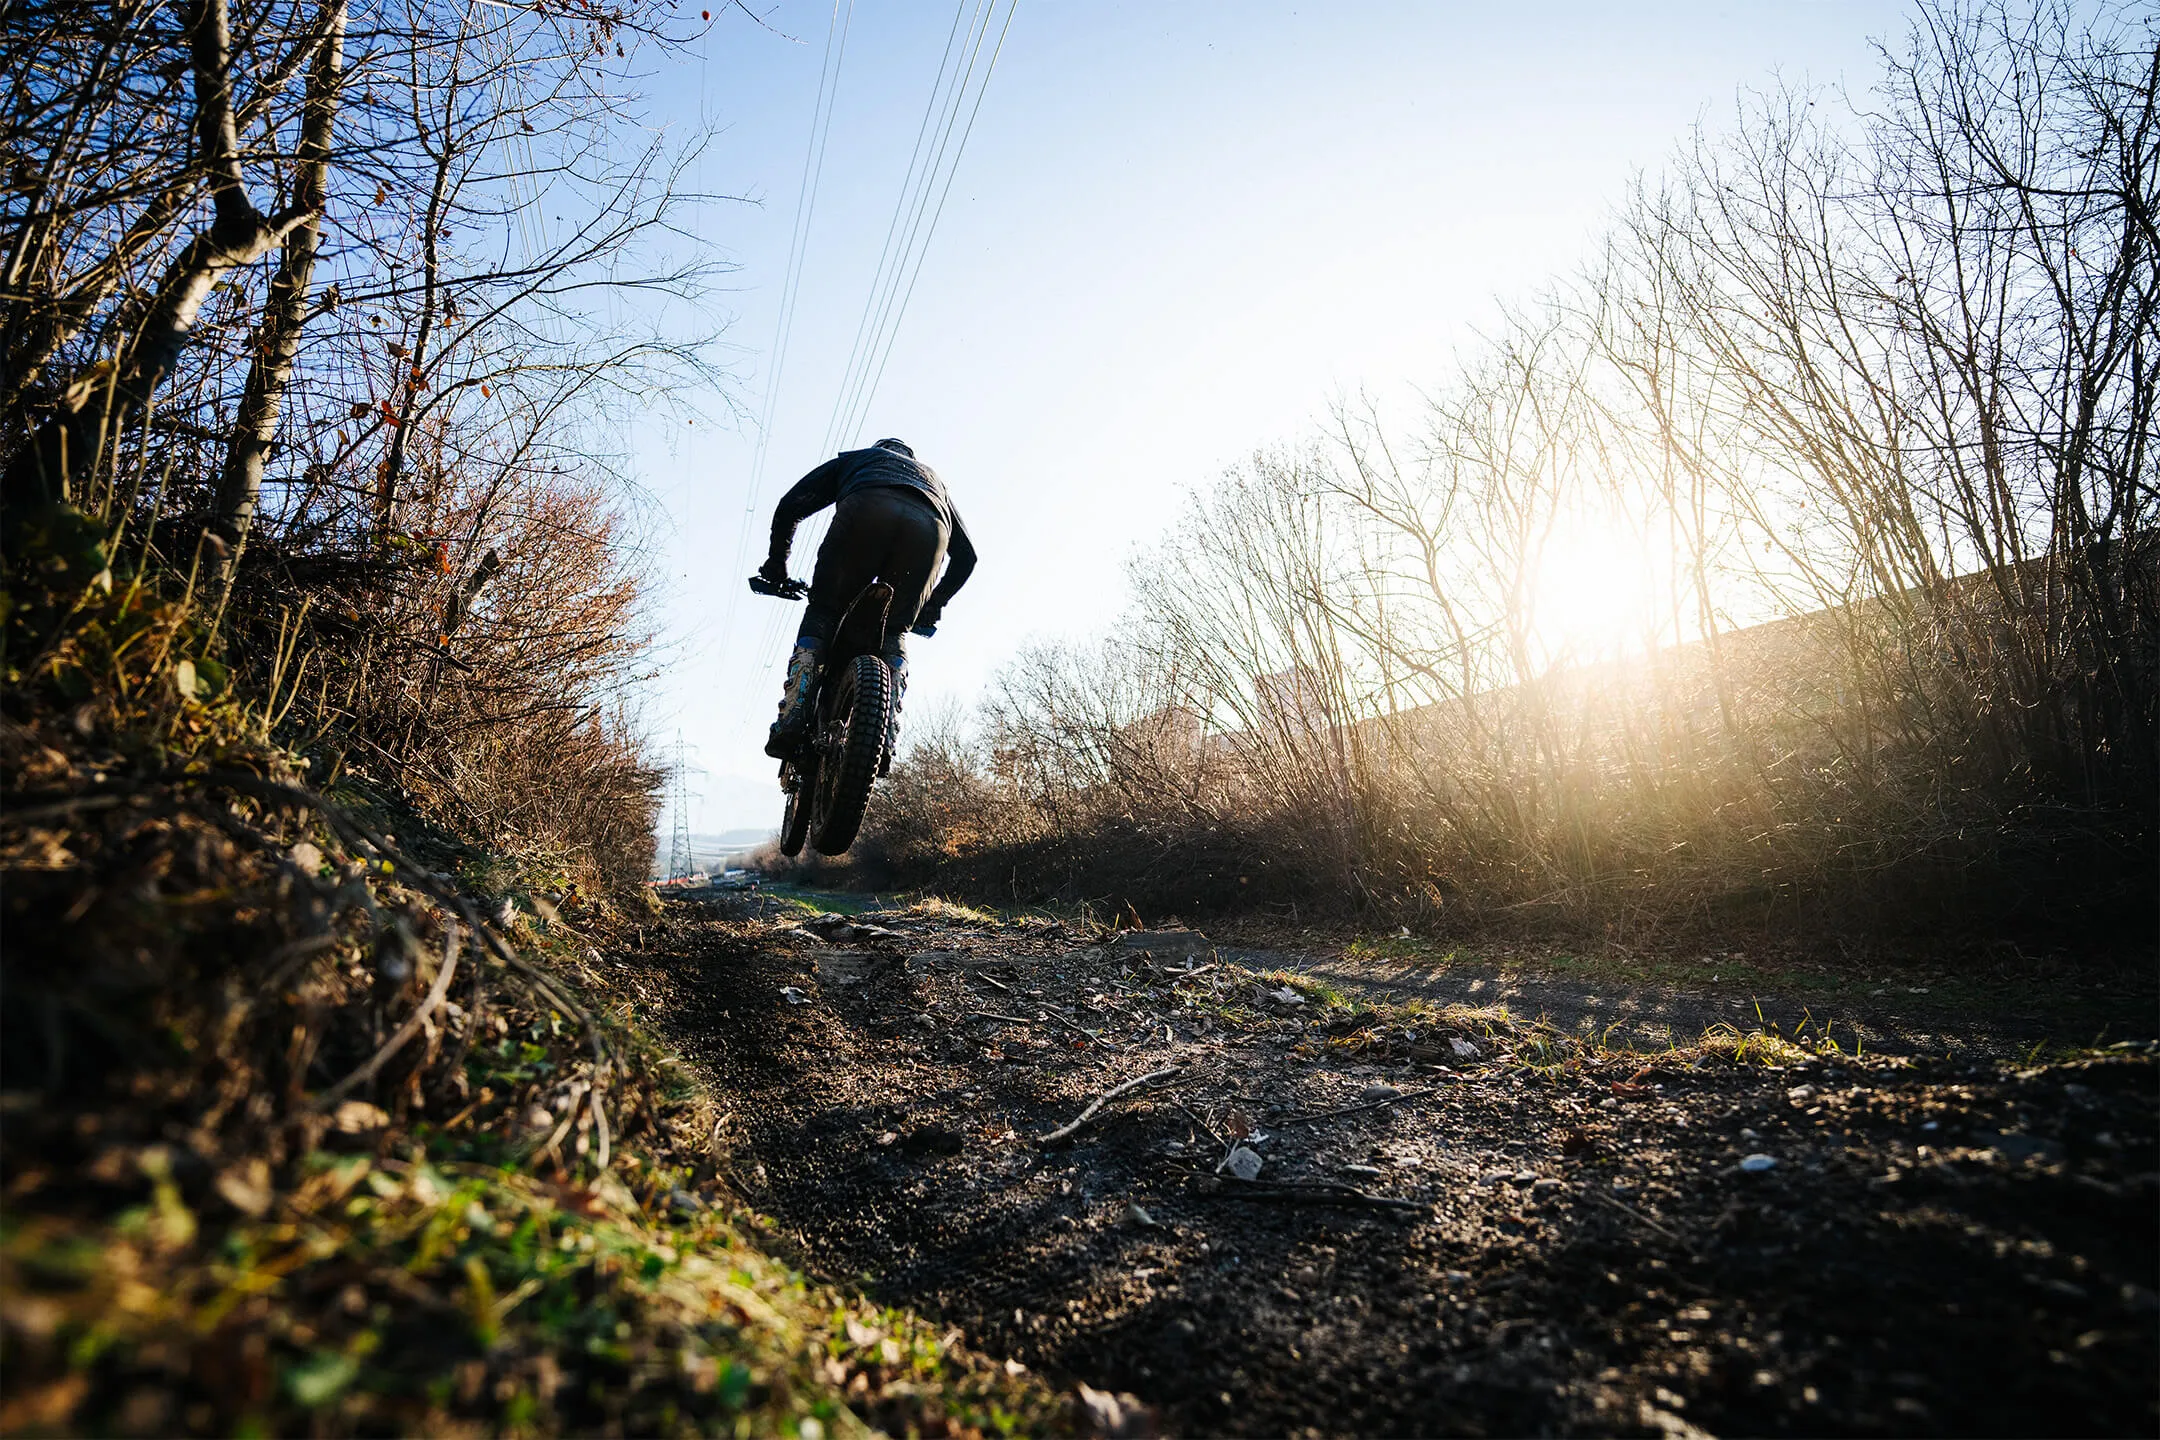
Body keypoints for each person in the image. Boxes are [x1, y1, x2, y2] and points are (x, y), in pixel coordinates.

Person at [760, 438, 975, 759]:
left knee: (823, 610)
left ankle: (793, 715)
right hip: (929, 528)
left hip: (866, 510)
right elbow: (967, 557)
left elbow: (791, 504)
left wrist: (777, 564)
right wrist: (931, 608)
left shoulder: (861, 459)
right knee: (894, 632)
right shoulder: (935, 482)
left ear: (881, 449)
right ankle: (885, 732)